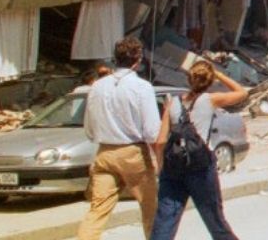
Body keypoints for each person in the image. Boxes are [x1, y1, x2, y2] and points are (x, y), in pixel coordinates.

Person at [150, 60, 247, 240]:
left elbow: (160, 141)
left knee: (165, 221)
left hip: (173, 168)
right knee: (214, 219)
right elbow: (241, 93)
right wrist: (218, 74)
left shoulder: (173, 103)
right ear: (209, 82)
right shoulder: (210, 100)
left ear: (188, 79)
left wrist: (160, 166)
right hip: (201, 167)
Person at [77, 38, 160, 240]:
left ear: (115, 59)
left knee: (98, 210)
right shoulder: (142, 87)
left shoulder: (97, 87)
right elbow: (151, 131)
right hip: (132, 153)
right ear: (138, 60)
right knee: (150, 209)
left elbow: (89, 128)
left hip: (104, 152)